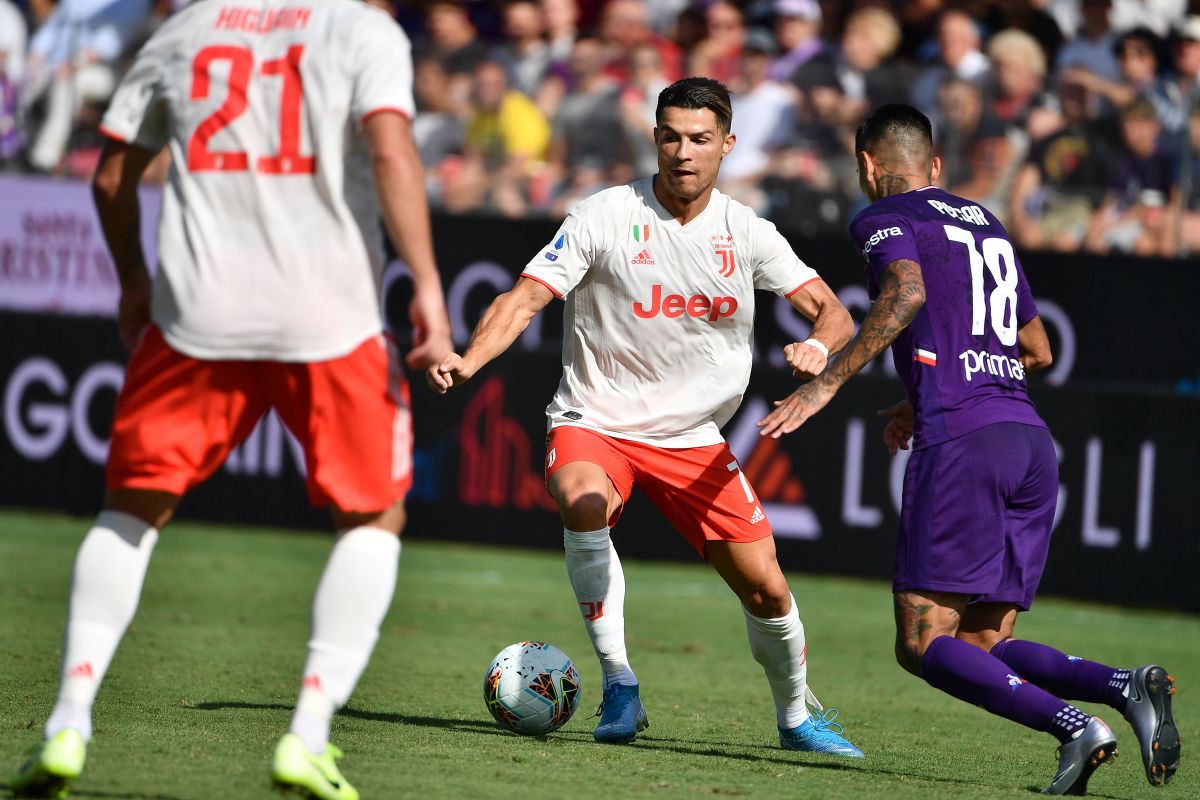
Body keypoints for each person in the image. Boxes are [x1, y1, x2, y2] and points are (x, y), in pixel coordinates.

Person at [10, 1, 453, 799]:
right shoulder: (363, 29)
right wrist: (425, 283)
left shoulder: (184, 29)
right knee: (371, 516)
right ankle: (308, 736)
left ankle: (69, 719)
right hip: (332, 316)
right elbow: (391, 153)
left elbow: (112, 175)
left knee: (133, 507)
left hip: (196, 312)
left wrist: (135, 285)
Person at [429, 77, 863, 757]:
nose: (682, 152)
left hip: (692, 438)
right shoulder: (602, 214)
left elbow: (835, 314)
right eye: (670, 137)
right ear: (654, 138)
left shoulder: (746, 232)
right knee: (582, 499)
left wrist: (816, 344)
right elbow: (524, 298)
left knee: (769, 590)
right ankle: (620, 682)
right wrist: (470, 358)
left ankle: (795, 720)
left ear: (727, 144)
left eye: (698, 139)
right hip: (595, 419)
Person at [758, 104, 1180, 795]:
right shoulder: (988, 223)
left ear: (868, 164)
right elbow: (1037, 351)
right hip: (1029, 443)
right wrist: (914, 397)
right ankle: (1123, 686)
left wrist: (828, 382)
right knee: (984, 643)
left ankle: (1077, 727)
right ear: (937, 166)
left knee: (923, 642)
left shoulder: (883, 218)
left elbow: (907, 292)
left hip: (965, 446)